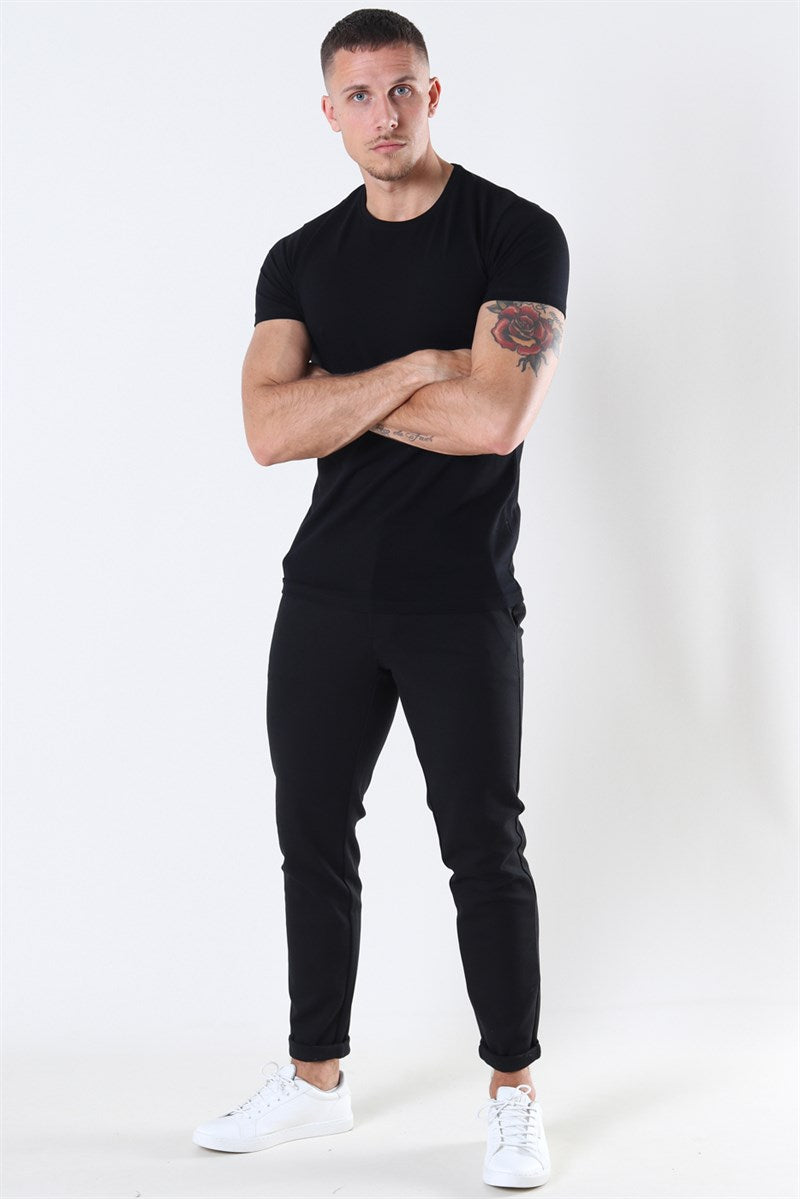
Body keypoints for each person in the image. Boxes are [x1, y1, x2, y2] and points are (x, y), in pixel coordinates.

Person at [193, 7, 568, 1189]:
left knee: (481, 844)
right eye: (358, 95)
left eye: (401, 88)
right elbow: (266, 431)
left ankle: (512, 1089)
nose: (383, 114)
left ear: (431, 93)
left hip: (459, 599)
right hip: (325, 595)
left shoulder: (514, 233)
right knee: (310, 831)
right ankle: (315, 1080)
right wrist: (417, 365)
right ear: (329, 112)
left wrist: (335, 395)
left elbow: (495, 417)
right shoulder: (299, 258)